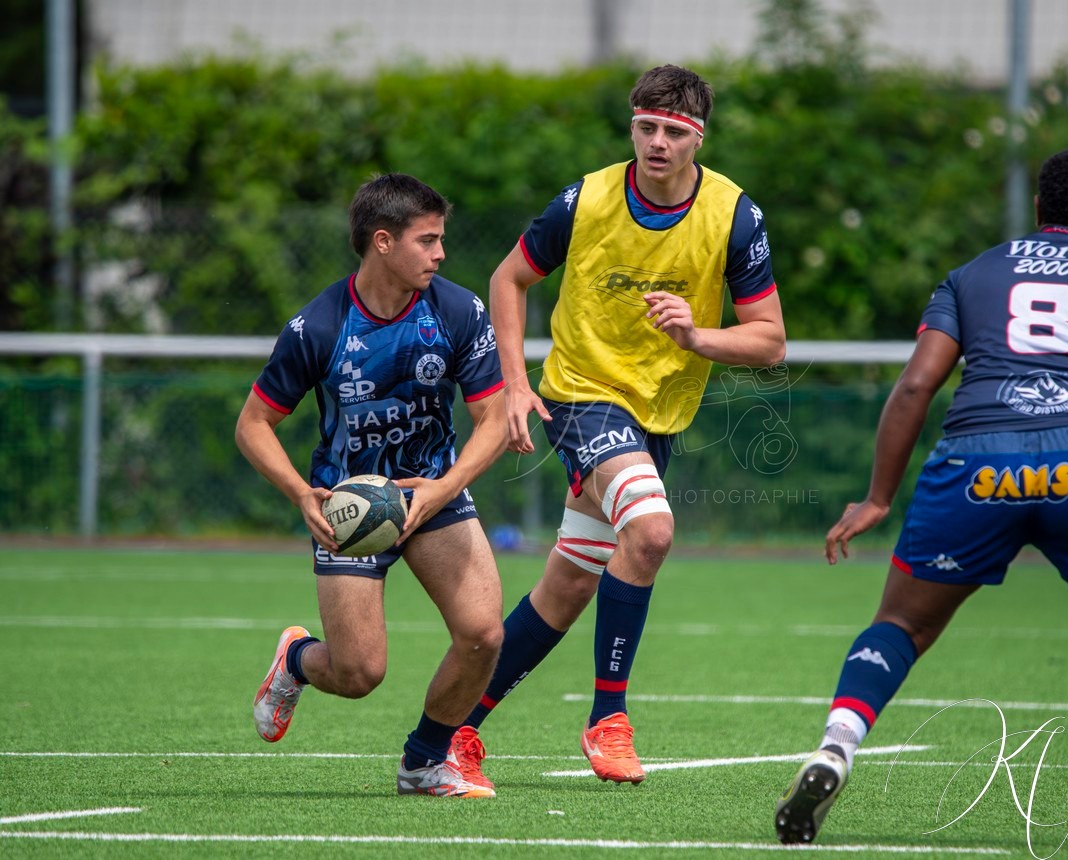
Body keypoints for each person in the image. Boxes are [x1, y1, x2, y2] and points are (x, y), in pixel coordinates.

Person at [774, 148, 1068, 850]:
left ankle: (836, 746)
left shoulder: (974, 273)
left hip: (979, 465)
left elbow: (916, 387)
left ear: (1039, 207)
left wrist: (877, 497)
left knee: (900, 625)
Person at [456, 63, 787, 786]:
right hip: (581, 395)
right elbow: (507, 280)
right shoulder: (588, 197)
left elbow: (769, 339)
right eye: (645, 127)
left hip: (659, 415)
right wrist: (514, 384)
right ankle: (609, 716)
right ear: (632, 126)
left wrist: (699, 337)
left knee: (570, 583)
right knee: (653, 530)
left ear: (699, 139)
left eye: (674, 131)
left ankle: (455, 730)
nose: (657, 142)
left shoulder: (734, 214)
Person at [235, 173, 508, 799]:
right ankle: (298, 659)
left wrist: (445, 487)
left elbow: (493, 421)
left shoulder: (458, 310)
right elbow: (253, 425)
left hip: (431, 494)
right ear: (382, 242)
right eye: (428, 241)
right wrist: (302, 494)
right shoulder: (318, 327)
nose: (440, 254)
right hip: (349, 508)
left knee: (483, 633)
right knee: (359, 674)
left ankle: (423, 762)